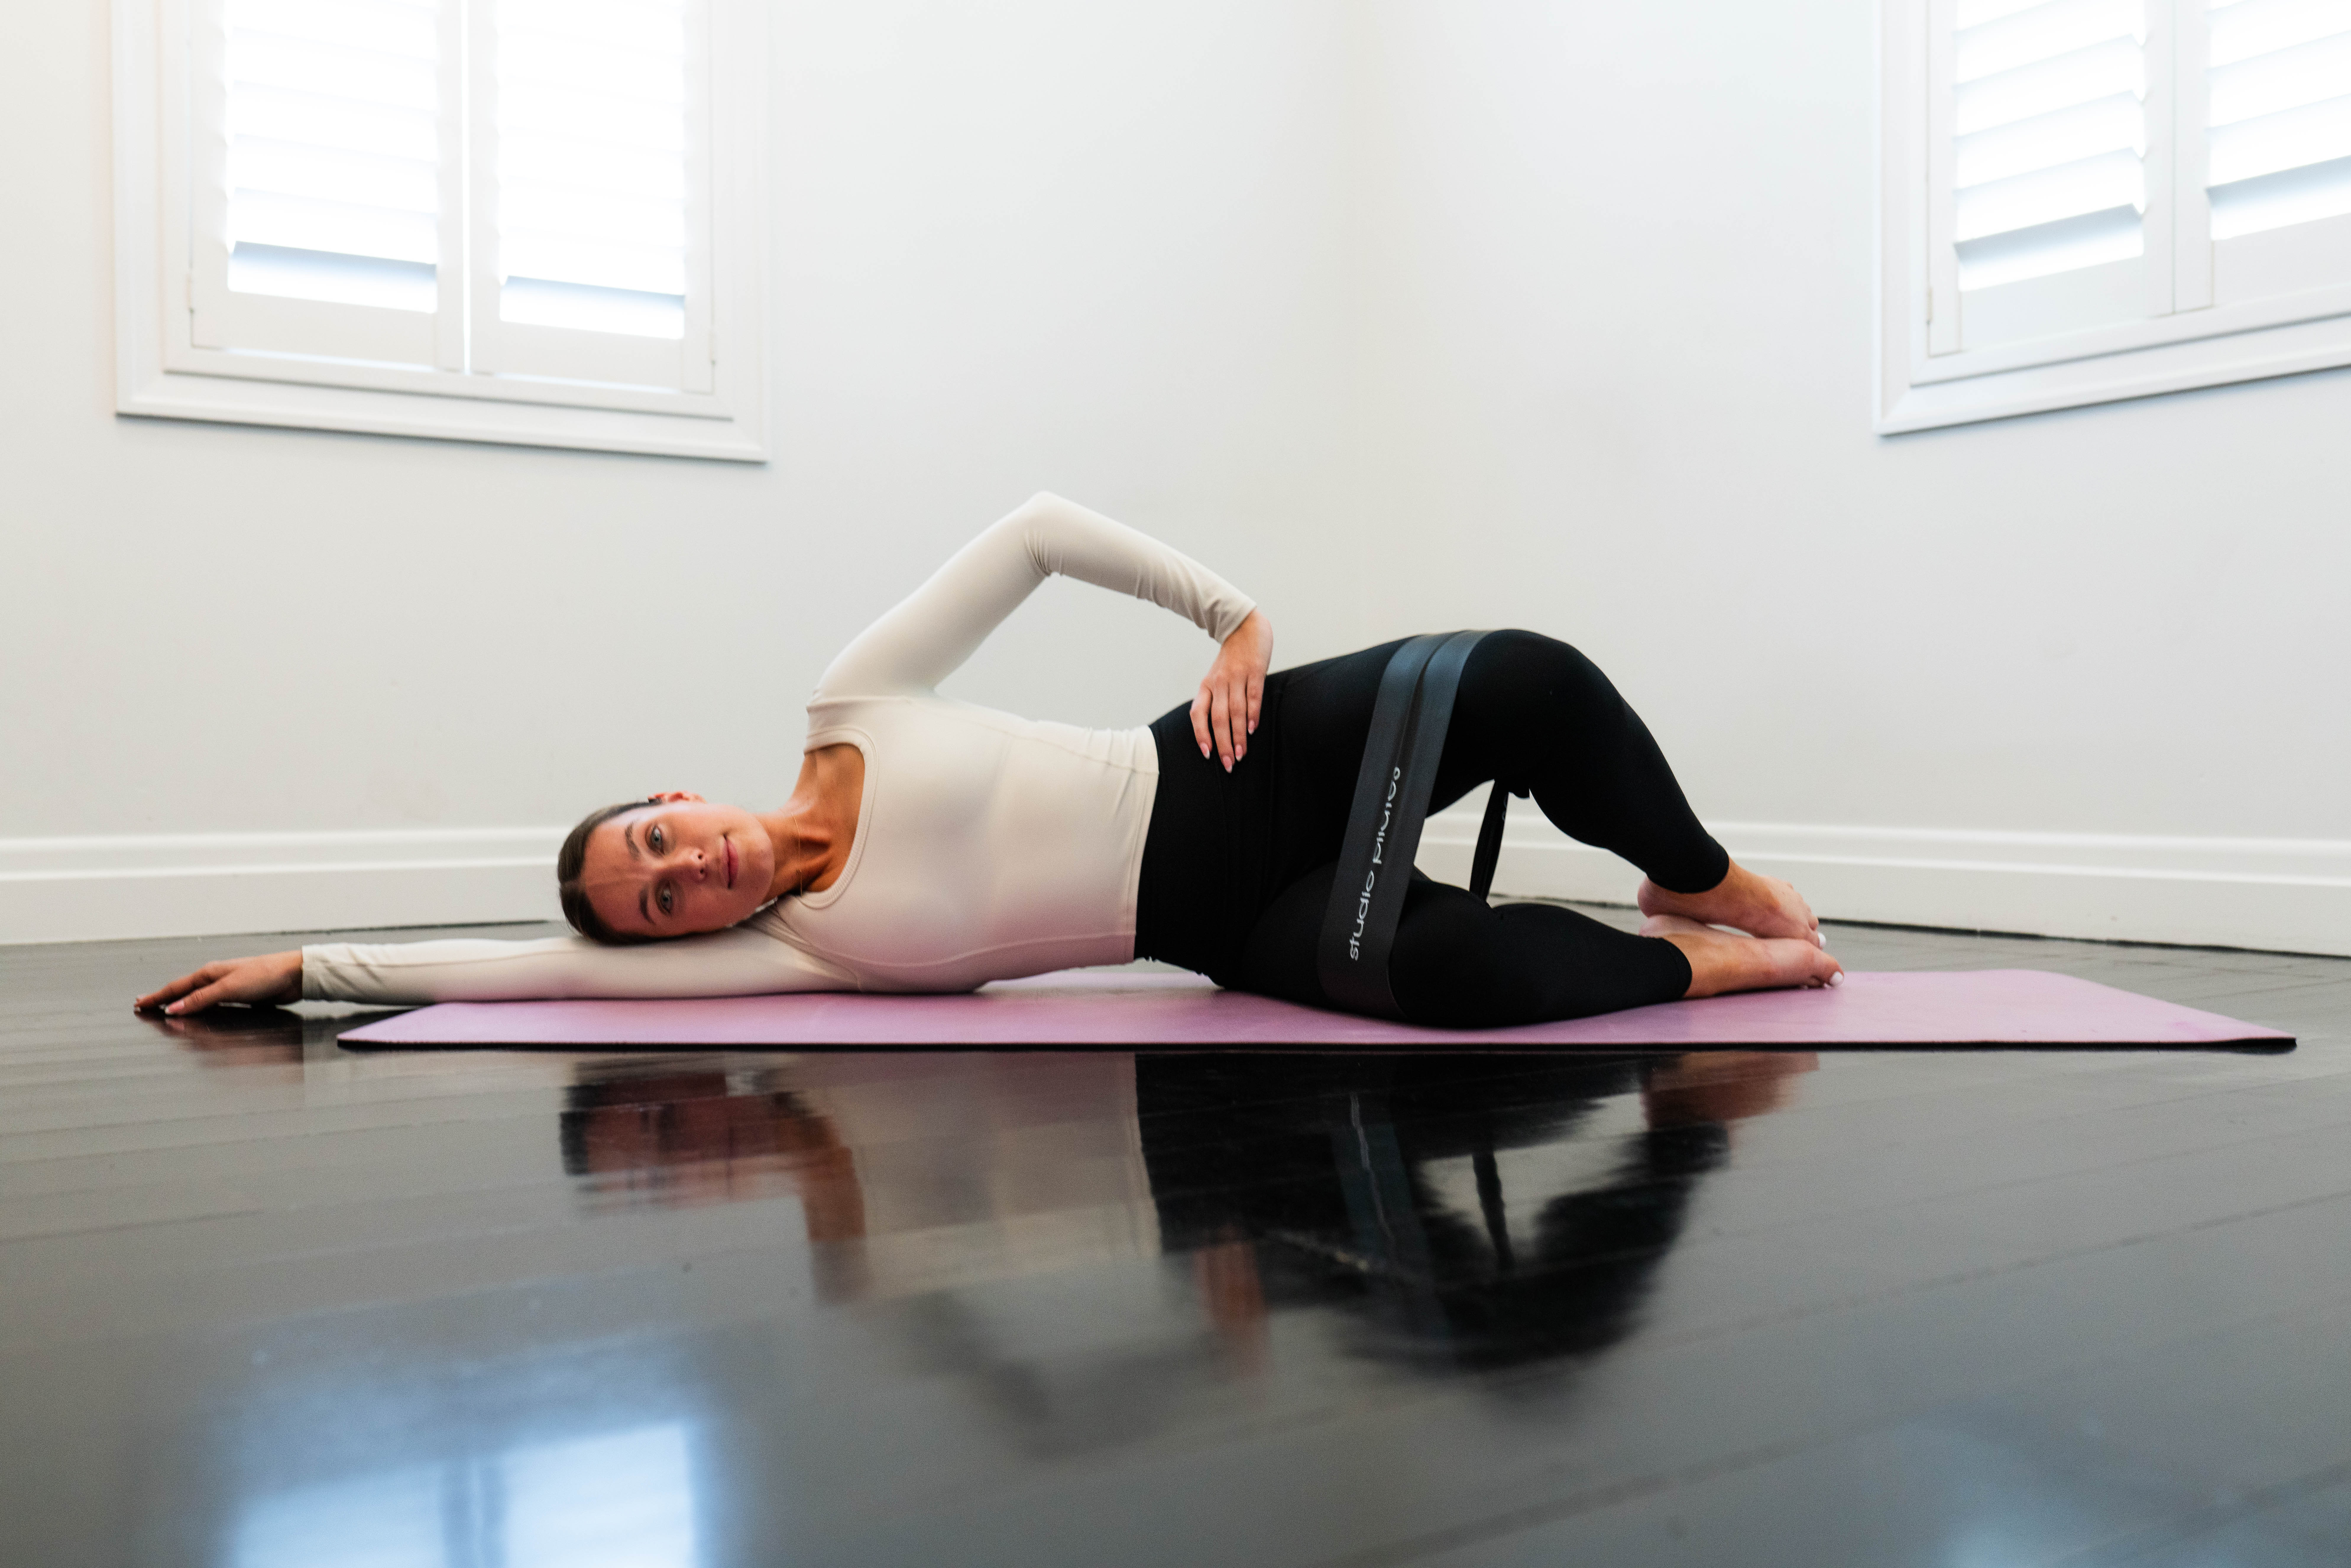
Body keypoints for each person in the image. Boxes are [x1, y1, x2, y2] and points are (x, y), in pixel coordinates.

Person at [137, 494, 1840, 1026]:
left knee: (1525, 679)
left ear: (678, 795)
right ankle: (1702, 961)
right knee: (1469, 994)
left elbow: (1029, 533)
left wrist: (1230, 616)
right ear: (677, 939)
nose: (683, 878)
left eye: (659, 847)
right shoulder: (793, 960)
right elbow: (518, 980)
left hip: (1225, 765)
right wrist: (307, 967)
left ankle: (1698, 878)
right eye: (655, 908)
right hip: (1220, 929)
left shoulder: (851, 699)